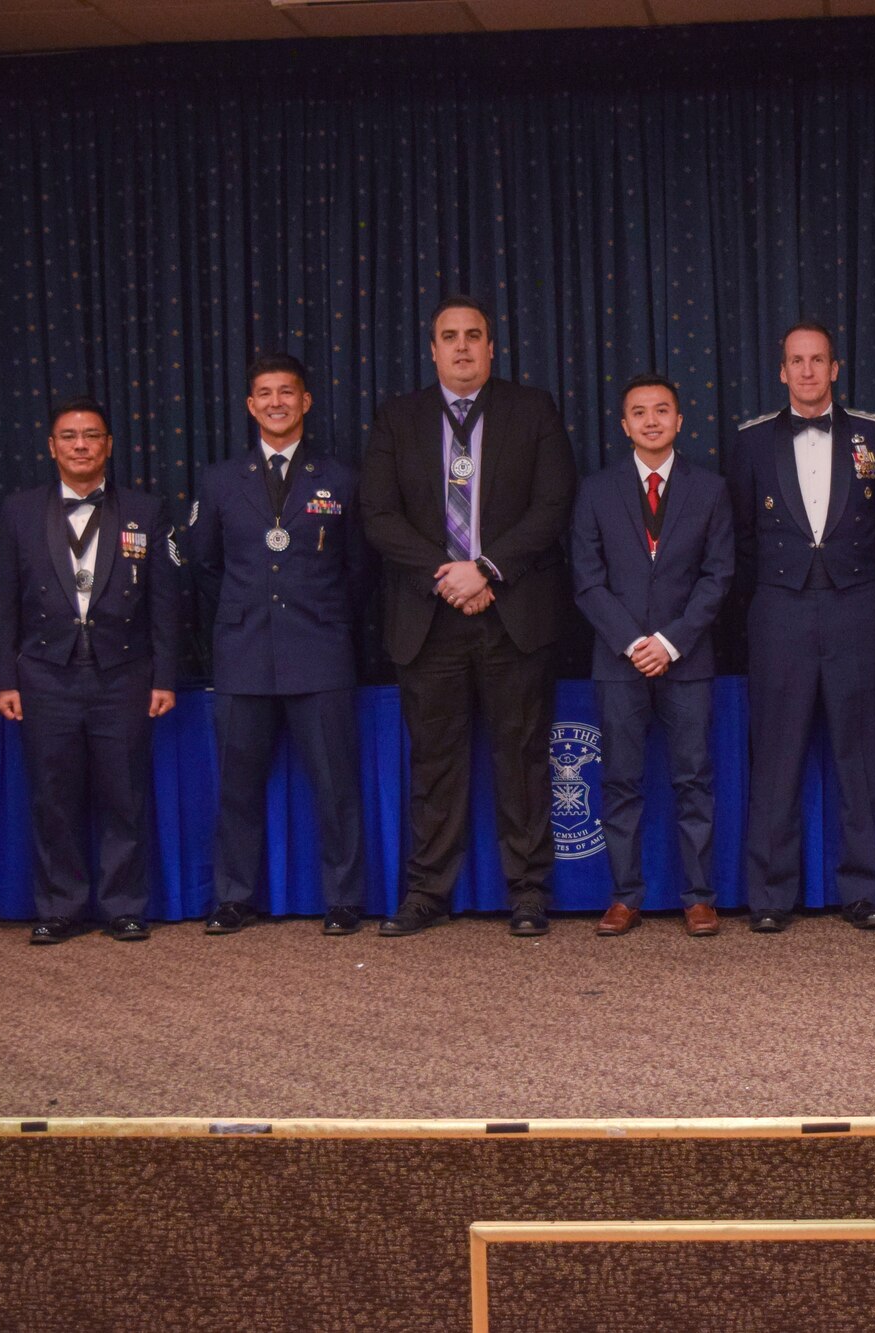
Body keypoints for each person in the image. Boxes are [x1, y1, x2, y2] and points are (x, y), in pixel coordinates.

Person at [360, 296, 576, 937]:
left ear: (491, 347)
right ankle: (428, 893)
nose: (461, 347)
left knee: (523, 759)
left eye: (473, 336)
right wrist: (448, 574)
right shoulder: (398, 419)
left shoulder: (531, 410)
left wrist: (485, 569)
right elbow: (378, 514)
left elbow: (553, 502)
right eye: (448, 337)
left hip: (513, 612)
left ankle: (529, 893)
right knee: (435, 761)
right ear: (432, 350)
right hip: (429, 616)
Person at [187, 352, 370, 936]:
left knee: (336, 787)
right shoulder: (219, 481)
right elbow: (206, 565)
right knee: (236, 789)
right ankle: (233, 898)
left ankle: (343, 900)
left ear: (306, 401)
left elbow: (360, 570)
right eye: (264, 393)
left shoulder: (341, 478)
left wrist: (325, 616)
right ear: (249, 405)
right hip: (243, 651)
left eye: (286, 392)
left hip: (319, 650)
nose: (275, 403)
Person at [729, 322, 875, 932]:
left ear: (835, 368)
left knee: (860, 755)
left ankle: (863, 892)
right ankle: (771, 897)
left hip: (857, 604)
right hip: (779, 608)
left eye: (817, 360)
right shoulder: (750, 442)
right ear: (782, 372)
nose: (806, 371)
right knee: (776, 757)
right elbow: (742, 539)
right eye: (795, 362)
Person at [0, 396, 179, 944]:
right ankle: (60, 906)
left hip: (124, 674)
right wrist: (4, 678)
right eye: (69, 436)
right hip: (45, 674)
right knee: (53, 795)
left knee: (124, 794)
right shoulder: (19, 511)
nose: (80, 445)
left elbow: (167, 601)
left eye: (91, 435)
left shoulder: (146, 509)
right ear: (52, 446)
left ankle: (123, 905)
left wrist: (164, 674)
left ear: (108, 445)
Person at [571, 375, 735, 938]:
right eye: (638, 412)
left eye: (661, 410)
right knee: (620, 781)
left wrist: (668, 643)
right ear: (624, 425)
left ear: (680, 420)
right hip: (619, 662)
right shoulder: (596, 490)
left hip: (686, 659)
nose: (650, 420)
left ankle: (699, 897)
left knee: (693, 779)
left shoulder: (709, 489)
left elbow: (718, 576)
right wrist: (633, 643)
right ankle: (624, 897)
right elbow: (587, 581)